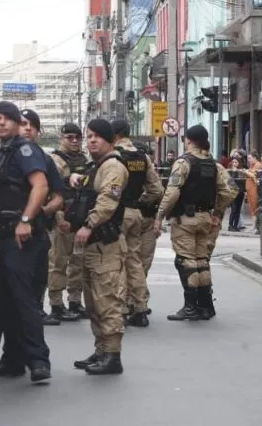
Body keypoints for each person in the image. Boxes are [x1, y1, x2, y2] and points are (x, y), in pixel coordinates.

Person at [0, 101, 51, 383]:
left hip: (21, 237)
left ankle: (39, 361)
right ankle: (13, 360)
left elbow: (40, 185)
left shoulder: (24, 149)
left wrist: (26, 220)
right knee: (1, 300)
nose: (1, 123)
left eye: (6, 118)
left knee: (24, 301)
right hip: (1, 236)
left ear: (17, 123)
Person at [156, 125, 239, 321]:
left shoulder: (183, 163)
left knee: (186, 261)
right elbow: (231, 190)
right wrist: (217, 213)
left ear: (188, 140)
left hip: (186, 219)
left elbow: (172, 192)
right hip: (207, 219)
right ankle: (206, 306)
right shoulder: (215, 165)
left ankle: (190, 306)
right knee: (202, 261)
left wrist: (159, 216)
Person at [66, 119, 129, 375]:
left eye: (97, 136)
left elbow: (106, 202)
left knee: (107, 302)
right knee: (92, 303)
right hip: (92, 247)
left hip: (105, 245)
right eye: (89, 136)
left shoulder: (113, 167)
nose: (91, 140)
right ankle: (101, 350)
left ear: (110, 140)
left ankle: (113, 356)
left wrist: (89, 225)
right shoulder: (97, 166)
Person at [110, 120, 164, 327]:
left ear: (114, 135)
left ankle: (122, 307)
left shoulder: (113, 155)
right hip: (135, 214)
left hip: (116, 213)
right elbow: (157, 190)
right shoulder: (142, 157)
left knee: (117, 261)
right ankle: (140, 308)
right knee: (134, 261)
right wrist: (139, 202)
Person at [19, 109, 67, 326]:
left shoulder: (45, 160)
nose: (28, 128)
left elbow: (59, 197)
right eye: (23, 123)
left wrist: (42, 210)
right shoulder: (2, 155)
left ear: (38, 131)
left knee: (39, 274)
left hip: (37, 229)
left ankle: (36, 308)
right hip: (8, 231)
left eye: (32, 125)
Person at [45, 122, 91, 323]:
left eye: (77, 137)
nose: (74, 141)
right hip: (62, 216)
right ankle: (56, 304)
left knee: (78, 262)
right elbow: (50, 191)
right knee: (58, 262)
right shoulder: (55, 160)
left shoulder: (84, 159)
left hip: (80, 216)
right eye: (69, 137)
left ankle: (74, 301)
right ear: (61, 138)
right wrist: (57, 218)